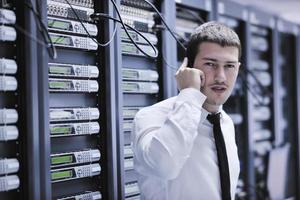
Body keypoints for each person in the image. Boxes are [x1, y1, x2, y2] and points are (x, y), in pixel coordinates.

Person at [131, 21, 241, 200]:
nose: (221, 77)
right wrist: (189, 93)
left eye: (229, 66)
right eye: (211, 64)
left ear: (238, 69)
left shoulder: (225, 122)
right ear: (188, 67)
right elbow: (165, 166)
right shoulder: (151, 117)